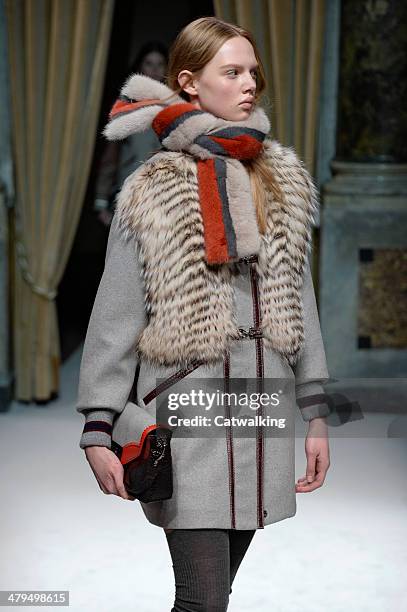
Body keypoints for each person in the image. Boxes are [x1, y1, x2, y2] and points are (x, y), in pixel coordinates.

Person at [76, 16, 331, 611]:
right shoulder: (153, 189)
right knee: (202, 600)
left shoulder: (283, 180)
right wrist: (98, 427)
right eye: (232, 71)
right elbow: (115, 316)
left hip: (261, 413)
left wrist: (316, 413)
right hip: (186, 415)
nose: (249, 84)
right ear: (189, 82)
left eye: (253, 72)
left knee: (211, 596)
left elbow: (302, 304)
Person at [94, 41, 168, 227]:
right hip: (128, 194)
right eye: (148, 63)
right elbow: (111, 156)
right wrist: (102, 202)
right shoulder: (126, 106)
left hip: (163, 198)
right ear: (139, 67)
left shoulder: (176, 107)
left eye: (159, 64)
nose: (154, 70)